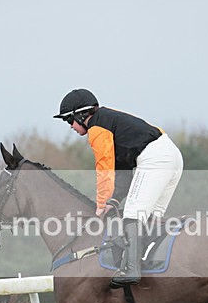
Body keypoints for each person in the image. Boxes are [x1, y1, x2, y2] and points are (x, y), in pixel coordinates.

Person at [53, 89, 183, 287]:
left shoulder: (97, 128)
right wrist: (113, 201)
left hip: (154, 159)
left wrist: (101, 203)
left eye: (69, 120)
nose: (70, 126)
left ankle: (131, 269)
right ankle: (148, 263)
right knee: (150, 219)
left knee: (132, 214)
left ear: (81, 115)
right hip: (172, 156)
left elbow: (104, 167)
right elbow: (123, 174)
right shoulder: (111, 123)